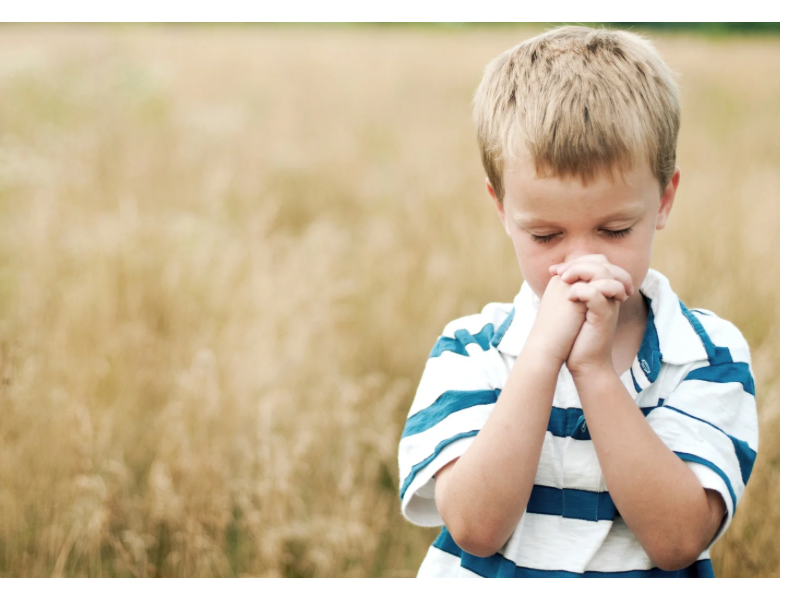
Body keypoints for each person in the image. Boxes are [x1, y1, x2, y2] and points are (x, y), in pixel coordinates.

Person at [396, 26, 758, 578]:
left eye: (614, 230)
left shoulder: (706, 354)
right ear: (501, 210)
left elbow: (679, 540)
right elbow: (475, 528)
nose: (581, 262)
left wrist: (593, 372)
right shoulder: (473, 350)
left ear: (663, 200)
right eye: (546, 237)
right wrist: (541, 357)